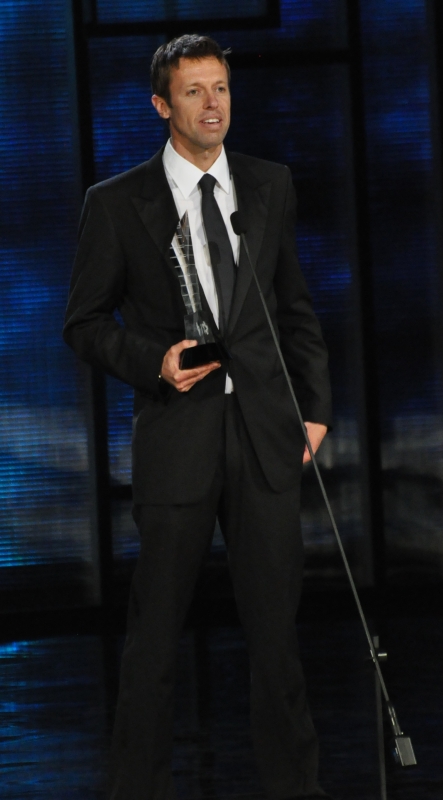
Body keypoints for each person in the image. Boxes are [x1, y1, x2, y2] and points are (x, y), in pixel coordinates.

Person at [63, 34, 333, 800]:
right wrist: (155, 361)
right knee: (153, 643)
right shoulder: (117, 203)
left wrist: (314, 413)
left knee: (277, 641)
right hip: (177, 440)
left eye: (220, 88)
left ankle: (296, 789)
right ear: (162, 105)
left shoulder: (268, 183)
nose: (213, 104)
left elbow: (294, 308)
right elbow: (82, 323)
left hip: (265, 438)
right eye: (194, 91)